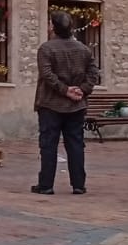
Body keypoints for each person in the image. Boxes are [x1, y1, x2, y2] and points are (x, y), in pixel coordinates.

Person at [32, 11, 99, 195]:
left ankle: (46, 184)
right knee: (76, 144)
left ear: (53, 27)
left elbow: (47, 74)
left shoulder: (46, 49)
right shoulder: (83, 49)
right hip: (76, 105)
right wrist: (82, 89)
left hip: (50, 104)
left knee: (48, 145)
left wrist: (65, 90)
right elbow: (94, 73)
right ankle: (78, 184)